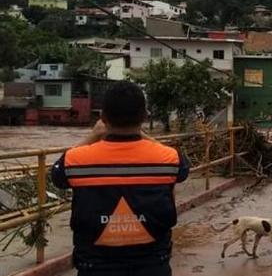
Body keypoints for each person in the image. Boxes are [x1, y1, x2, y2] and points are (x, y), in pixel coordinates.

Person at [51, 81, 189, 276]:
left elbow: (57, 175)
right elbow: (183, 170)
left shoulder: (75, 160)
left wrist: (92, 137)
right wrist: (145, 136)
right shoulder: (168, 159)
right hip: (153, 266)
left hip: (95, 268)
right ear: (144, 116)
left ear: (103, 117)